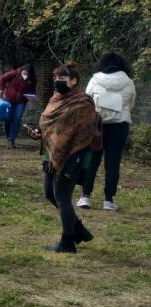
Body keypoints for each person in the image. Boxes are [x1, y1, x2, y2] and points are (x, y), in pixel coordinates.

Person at [28, 63, 98, 253]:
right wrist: (39, 132)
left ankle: (67, 242)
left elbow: (84, 133)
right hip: (52, 155)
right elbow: (51, 125)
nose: (57, 82)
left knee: (62, 197)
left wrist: (72, 160)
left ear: (74, 81)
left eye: (62, 79)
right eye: (55, 79)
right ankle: (79, 230)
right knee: (49, 194)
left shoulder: (82, 102)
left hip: (72, 155)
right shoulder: (56, 98)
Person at [80, 53, 138, 211]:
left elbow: (87, 100)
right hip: (119, 126)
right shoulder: (128, 82)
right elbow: (131, 103)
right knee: (113, 164)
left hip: (97, 124)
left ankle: (85, 196)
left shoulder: (95, 79)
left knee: (92, 160)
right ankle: (108, 200)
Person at [0, 64, 36, 148]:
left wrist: (31, 97)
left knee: (17, 119)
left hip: (21, 102)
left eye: (27, 72)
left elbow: (32, 90)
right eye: (24, 71)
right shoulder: (14, 73)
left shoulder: (32, 79)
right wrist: (1, 89)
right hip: (9, 99)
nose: (25, 73)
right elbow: (2, 78)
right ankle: (8, 137)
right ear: (21, 70)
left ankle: (11, 139)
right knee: (7, 118)